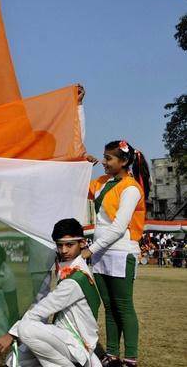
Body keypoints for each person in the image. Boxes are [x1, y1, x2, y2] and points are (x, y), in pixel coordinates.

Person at [0, 218, 102, 367]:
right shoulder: (68, 266)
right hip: (62, 337)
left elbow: (43, 308)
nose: (64, 250)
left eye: (69, 245)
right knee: (14, 361)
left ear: (82, 243)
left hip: (77, 343)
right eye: (60, 245)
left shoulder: (75, 279)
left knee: (25, 329)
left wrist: (11, 334)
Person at [82, 140, 149, 367]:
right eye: (103, 157)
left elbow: (119, 227)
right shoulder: (102, 182)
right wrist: (84, 166)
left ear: (124, 161)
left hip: (121, 252)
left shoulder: (131, 188)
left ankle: (130, 358)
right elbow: (78, 188)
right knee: (109, 307)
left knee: (123, 306)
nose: (104, 161)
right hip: (101, 253)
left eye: (108, 158)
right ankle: (111, 354)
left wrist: (90, 250)